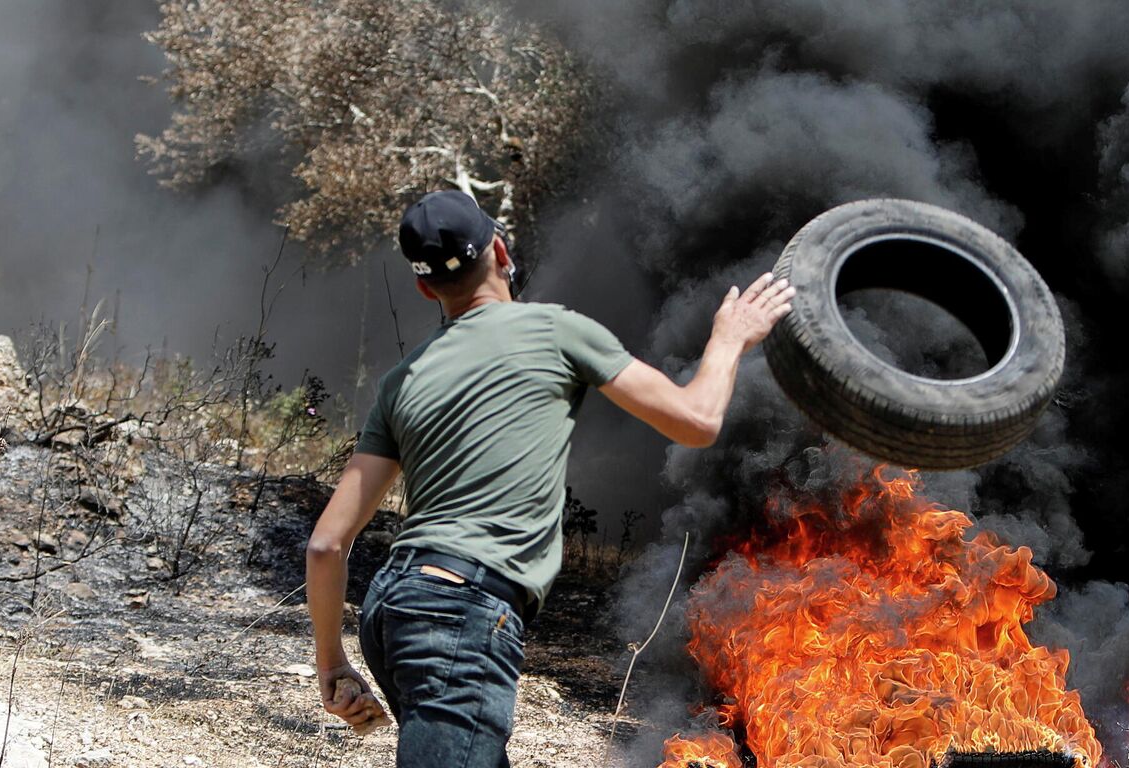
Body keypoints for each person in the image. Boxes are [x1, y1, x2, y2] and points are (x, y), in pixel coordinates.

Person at [303, 189, 793, 766]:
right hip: (462, 613)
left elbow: (326, 544)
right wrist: (729, 338)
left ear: (424, 286)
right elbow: (696, 421)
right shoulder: (555, 331)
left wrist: (332, 663)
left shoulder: (401, 380)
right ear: (502, 252)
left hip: (393, 608)